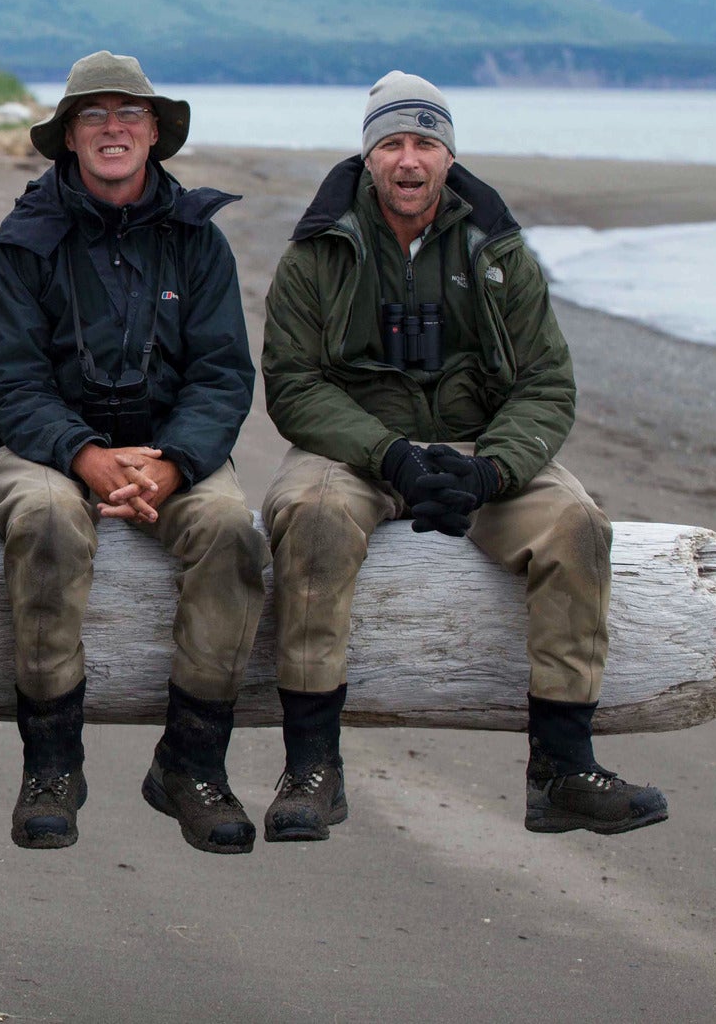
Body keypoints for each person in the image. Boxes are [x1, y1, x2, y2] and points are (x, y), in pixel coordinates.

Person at [260, 71, 667, 841]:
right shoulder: (317, 251)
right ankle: (312, 767)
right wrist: (392, 457)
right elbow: (292, 385)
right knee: (309, 518)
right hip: (353, 448)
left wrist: (492, 470)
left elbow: (547, 384)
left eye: (424, 142)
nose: (408, 160)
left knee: (578, 523)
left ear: (449, 156)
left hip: (483, 446)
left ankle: (562, 768)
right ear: (368, 155)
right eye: (391, 144)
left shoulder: (501, 251)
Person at [0, 51, 265, 856]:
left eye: (128, 115)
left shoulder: (197, 239)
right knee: (42, 522)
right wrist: (84, 455)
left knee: (231, 531)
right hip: (50, 446)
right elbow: (10, 381)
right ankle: (51, 766)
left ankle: (192, 762)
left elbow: (222, 373)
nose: (113, 129)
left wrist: (173, 461)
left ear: (154, 134)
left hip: (173, 446)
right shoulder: (24, 239)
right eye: (94, 117)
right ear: (69, 138)